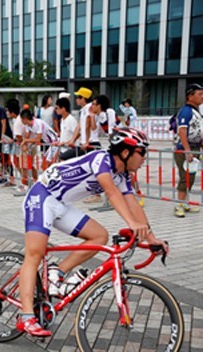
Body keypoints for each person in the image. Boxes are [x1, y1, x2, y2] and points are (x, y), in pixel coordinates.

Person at [16, 127, 167, 337]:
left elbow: (133, 204)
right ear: (126, 152)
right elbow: (112, 194)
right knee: (35, 253)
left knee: (100, 236)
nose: (144, 159)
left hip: (60, 203)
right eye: (142, 152)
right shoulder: (101, 160)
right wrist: (132, 224)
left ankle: (56, 273)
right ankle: (26, 317)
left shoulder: (122, 175)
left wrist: (151, 238)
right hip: (41, 197)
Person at [174, 83, 203, 217]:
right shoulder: (186, 111)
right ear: (190, 96)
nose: (202, 97)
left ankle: (185, 202)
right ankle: (178, 204)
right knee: (185, 177)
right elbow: (182, 131)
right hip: (185, 148)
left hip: (195, 147)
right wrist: (187, 150)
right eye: (199, 94)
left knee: (190, 177)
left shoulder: (196, 111)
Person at [60, 87, 93, 161]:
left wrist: (87, 141)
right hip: (83, 144)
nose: (76, 99)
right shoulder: (83, 110)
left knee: (65, 157)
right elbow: (79, 126)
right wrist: (72, 140)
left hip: (89, 143)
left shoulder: (89, 108)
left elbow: (88, 126)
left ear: (83, 99)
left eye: (78, 97)